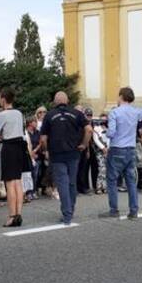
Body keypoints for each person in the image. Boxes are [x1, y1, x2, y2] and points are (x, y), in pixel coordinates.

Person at [40, 92, 92, 225]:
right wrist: (84, 144)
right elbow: (89, 130)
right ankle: (71, 210)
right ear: (67, 101)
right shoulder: (76, 113)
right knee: (72, 182)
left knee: (62, 183)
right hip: (74, 153)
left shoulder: (49, 115)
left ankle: (67, 214)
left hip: (57, 155)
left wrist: (46, 150)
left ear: (55, 102)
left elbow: (43, 138)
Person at [103, 87, 142, 220]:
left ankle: (114, 210)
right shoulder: (135, 112)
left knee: (112, 180)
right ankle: (133, 211)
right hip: (131, 149)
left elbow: (111, 132)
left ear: (121, 96)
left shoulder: (115, 112)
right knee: (131, 181)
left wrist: (105, 132)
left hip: (117, 148)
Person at [0, 88, 26, 227]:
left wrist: (1, 137)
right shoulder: (18, 113)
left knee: (10, 183)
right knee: (18, 182)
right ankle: (19, 214)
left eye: (0, 98)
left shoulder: (2, 115)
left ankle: (12, 216)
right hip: (19, 147)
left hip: (9, 147)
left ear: (4, 99)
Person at [77, 108, 95, 195]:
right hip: (81, 147)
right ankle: (81, 187)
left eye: (90, 115)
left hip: (86, 148)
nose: (89, 117)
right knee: (81, 169)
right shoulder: (82, 124)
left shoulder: (89, 123)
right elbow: (87, 133)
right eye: (87, 115)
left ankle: (84, 186)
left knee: (84, 168)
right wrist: (86, 148)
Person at [92, 114, 109, 195]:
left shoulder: (108, 128)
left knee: (106, 169)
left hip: (108, 150)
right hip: (100, 151)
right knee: (101, 168)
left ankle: (105, 186)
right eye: (102, 119)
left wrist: (108, 148)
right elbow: (96, 139)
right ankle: (98, 186)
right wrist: (103, 148)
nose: (103, 121)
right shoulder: (96, 129)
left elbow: (110, 139)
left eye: (105, 119)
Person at [25, 117, 41, 201]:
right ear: (30, 123)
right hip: (28, 156)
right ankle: (28, 192)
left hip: (36, 155)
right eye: (34, 121)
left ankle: (34, 191)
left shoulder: (37, 132)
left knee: (35, 175)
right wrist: (31, 153)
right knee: (28, 175)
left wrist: (35, 151)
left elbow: (40, 142)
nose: (36, 123)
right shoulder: (25, 133)